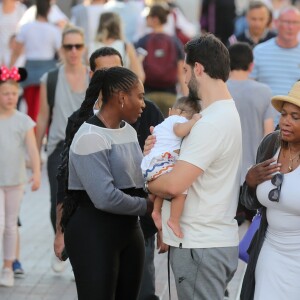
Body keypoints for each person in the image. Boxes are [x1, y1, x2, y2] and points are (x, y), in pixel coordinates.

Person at [54, 47, 165, 300]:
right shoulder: (89, 136)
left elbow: (139, 180)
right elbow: (104, 197)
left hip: (129, 232)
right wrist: (147, 206)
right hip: (94, 233)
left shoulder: (127, 129)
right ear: (121, 98)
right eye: (139, 96)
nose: (144, 103)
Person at [145, 33, 242, 299]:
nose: (185, 79)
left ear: (198, 68)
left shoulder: (210, 123)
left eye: (187, 70)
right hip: (207, 243)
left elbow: (174, 184)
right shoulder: (219, 114)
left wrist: (148, 176)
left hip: (200, 244)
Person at [35, 25, 89, 272]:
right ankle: (60, 242)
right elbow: (43, 116)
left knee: (84, 201)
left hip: (88, 147)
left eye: (78, 46)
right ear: (62, 49)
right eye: (69, 46)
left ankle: (78, 248)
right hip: (58, 146)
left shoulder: (92, 77)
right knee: (55, 201)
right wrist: (35, 153)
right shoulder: (51, 79)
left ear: (84, 48)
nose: (74, 51)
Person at [240, 80, 300, 300]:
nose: (285, 121)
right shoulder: (270, 144)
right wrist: (250, 182)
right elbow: (250, 203)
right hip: (269, 252)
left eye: (296, 117)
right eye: (284, 114)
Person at [0, 66, 40, 287]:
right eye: (5, 93)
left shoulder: (23, 120)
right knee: (0, 223)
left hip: (15, 181)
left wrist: (35, 173)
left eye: (14, 93)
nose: (10, 97)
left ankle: (7, 267)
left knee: (10, 225)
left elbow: (32, 150)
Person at [227, 42, 275, 224]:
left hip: (225, 172)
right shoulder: (264, 92)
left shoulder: (219, 90)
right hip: (254, 173)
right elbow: (269, 134)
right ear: (251, 65)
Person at [141, 96, 200, 238]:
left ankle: (156, 212)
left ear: (170, 111)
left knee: (164, 186)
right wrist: (194, 121)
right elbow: (179, 130)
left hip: (151, 165)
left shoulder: (162, 125)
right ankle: (174, 220)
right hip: (160, 162)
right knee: (181, 190)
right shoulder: (178, 120)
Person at [9, 0, 61, 122]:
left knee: (31, 106)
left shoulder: (26, 28)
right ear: (49, 10)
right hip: (48, 68)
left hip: (30, 69)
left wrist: (10, 68)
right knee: (46, 106)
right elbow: (60, 53)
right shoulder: (54, 30)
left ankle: (32, 133)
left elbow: (16, 51)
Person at [135, 4, 188, 117]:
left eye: (147, 17)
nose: (145, 20)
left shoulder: (143, 41)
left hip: (148, 94)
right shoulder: (174, 42)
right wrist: (187, 98)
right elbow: (180, 72)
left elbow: (137, 70)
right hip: (170, 95)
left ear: (155, 19)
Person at [250, 5, 300, 124]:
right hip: (264, 124)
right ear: (276, 23)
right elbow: (249, 85)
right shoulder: (259, 51)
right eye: (287, 22)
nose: (290, 27)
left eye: (295, 22)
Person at [88, 11, 145, 81]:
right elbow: (140, 76)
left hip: (95, 90)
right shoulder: (126, 46)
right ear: (119, 26)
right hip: (120, 89)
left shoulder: (89, 47)